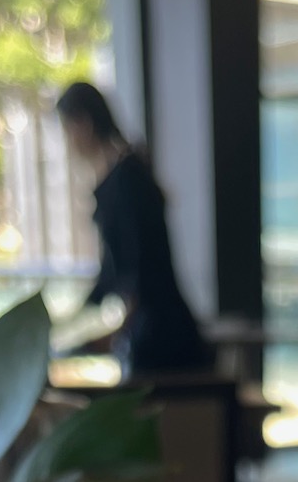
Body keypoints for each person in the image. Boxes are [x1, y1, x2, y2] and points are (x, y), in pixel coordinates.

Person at [56, 81, 213, 377]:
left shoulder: (126, 180)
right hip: (156, 332)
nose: (67, 142)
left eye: (67, 130)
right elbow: (114, 275)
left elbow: (138, 269)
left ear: (83, 124)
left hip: (160, 339)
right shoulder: (125, 175)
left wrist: (111, 327)